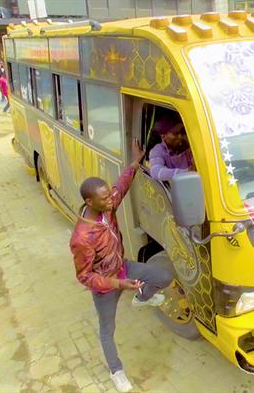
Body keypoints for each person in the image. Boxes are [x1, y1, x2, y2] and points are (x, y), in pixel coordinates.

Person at [69, 139, 172, 393]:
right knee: (107, 330)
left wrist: (136, 163)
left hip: (123, 268)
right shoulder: (82, 238)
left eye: (108, 196)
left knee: (164, 275)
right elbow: (85, 276)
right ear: (89, 202)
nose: (110, 200)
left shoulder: (106, 206)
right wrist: (118, 284)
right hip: (106, 286)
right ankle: (116, 371)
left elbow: (120, 187)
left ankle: (142, 298)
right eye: (104, 199)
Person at [148, 113, 194, 181]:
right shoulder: (157, 150)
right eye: (176, 133)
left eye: (182, 132)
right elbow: (156, 172)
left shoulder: (187, 146)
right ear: (163, 136)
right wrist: (187, 172)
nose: (180, 136)